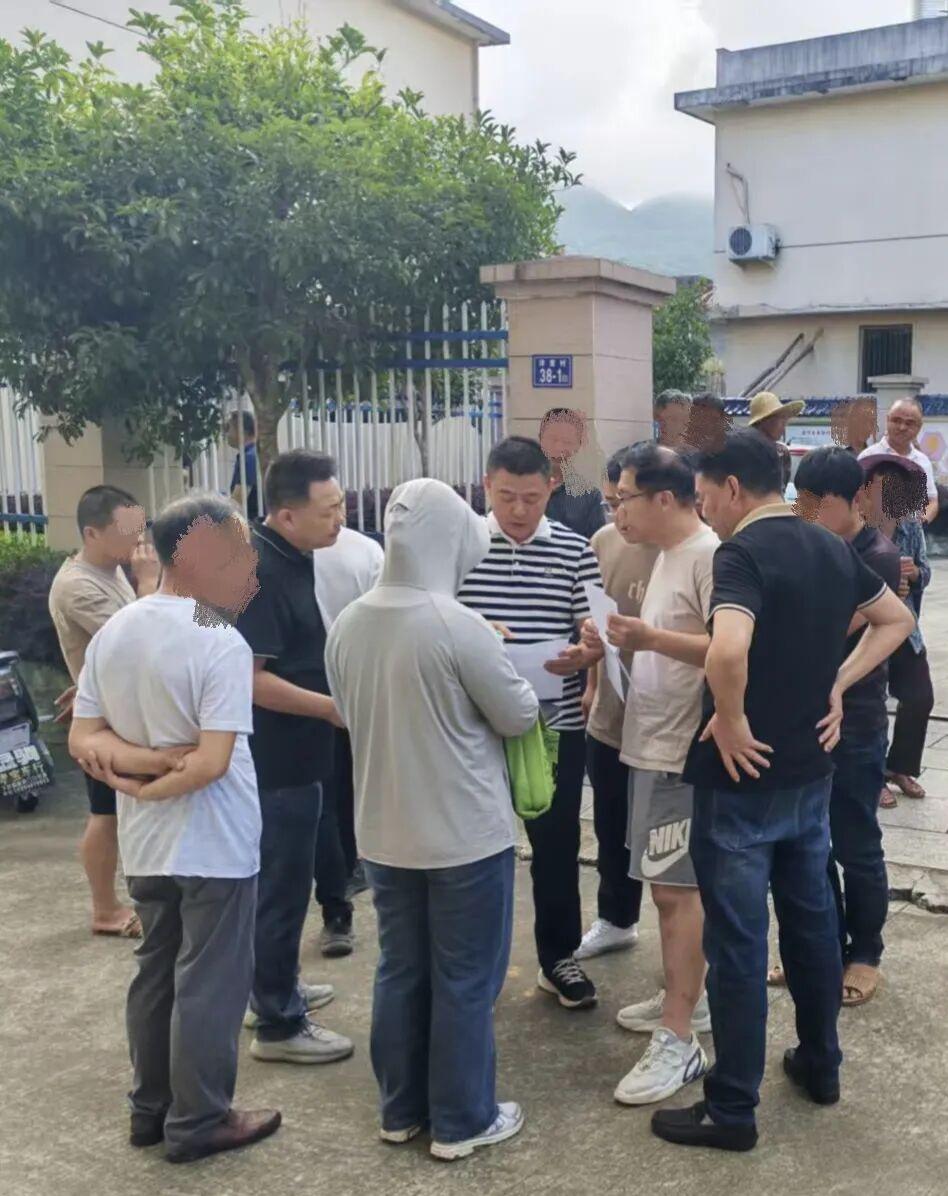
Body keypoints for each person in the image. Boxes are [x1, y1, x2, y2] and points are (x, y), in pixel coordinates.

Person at [650, 431, 913, 1153]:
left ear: (734, 488)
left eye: (706, 494)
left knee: (738, 945)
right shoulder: (830, 546)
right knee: (812, 925)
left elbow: (728, 648)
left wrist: (731, 719)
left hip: (741, 783)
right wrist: (837, 681)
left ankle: (732, 1107)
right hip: (810, 772)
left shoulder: (740, 553)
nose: (704, 507)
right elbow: (896, 620)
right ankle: (821, 1065)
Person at [326, 478, 538, 1161]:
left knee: (400, 970)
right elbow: (519, 713)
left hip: (383, 834)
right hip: (463, 837)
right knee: (466, 979)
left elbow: (349, 709)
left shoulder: (349, 622)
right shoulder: (457, 623)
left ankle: (401, 1110)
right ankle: (462, 1120)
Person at [68, 494, 281, 1165]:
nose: (249, 564)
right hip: (215, 842)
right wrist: (159, 771)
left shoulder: (118, 630)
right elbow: (212, 762)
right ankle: (200, 1120)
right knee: (208, 983)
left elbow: (83, 737)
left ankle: (150, 1110)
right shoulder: (218, 638)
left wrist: (136, 775)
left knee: (156, 972)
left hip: (148, 842)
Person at [584, 444, 717, 1106]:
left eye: (625, 499)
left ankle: (680, 1036)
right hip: (652, 742)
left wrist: (648, 639)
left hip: (681, 752)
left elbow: (732, 649)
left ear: (665, 498)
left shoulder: (708, 555)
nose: (618, 512)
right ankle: (684, 999)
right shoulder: (665, 553)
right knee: (668, 889)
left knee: (676, 893)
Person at [458, 436, 604, 1009]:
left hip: (554, 724)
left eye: (531, 498)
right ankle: (472, 966)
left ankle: (559, 956)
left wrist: (584, 654)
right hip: (473, 729)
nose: (518, 510)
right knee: (473, 849)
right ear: (486, 486)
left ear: (551, 489)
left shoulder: (575, 549)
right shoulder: (461, 547)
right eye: (506, 496)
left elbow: (593, 632)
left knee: (556, 843)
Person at [235, 449, 353, 1064]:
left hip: (300, 755)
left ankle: (274, 986)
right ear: (285, 515)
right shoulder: (258, 572)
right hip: (275, 761)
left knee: (286, 884)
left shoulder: (290, 556)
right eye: (328, 509)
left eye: (341, 505)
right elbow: (248, 680)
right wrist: (331, 709)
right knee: (279, 890)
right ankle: (279, 1023)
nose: (341, 519)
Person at [790, 447, 902, 1007]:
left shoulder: (876, 556)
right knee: (810, 845)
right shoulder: (812, 543)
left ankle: (866, 953)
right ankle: (824, 949)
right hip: (810, 718)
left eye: (820, 503)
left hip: (855, 721)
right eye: (802, 502)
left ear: (856, 498)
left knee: (855, 844)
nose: (808, 513)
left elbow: (832, 627)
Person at [48, 485, 160, 937]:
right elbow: (137, 640)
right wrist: (148, 583)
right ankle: (105, 909)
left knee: (119, 811)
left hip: (117, 710)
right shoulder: (77, 586)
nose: (138, 539)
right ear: (92, 533)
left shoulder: (111, 569)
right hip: (104, 721)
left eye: (140, 527)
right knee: (106, 814)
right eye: (127, 530)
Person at [576, 449, 657, 961]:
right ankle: (616, 918)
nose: (617, 514)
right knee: (610, 824)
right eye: (610, 503)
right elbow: (596, 618)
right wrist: (591, 683)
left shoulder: (691, 549)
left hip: (665, 722)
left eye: (624, 501)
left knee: (668, 839)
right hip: (611, 711)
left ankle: (689, 945)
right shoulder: (602, 542)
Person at [311, 526, 385, 955]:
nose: (335, 517)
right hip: (318, 697)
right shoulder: (261, 562)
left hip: (341, 691)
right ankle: (340, 893)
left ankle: (338, 901)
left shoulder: (363, 550)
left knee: (337, 793)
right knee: (337, 794)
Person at [860, 455, 934, 804]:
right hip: (866, 626)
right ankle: (872, 776)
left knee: (920, 697)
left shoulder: (910, 525)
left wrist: (914, 575)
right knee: (872, 705)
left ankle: (899, 767)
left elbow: (925, 571)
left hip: (905, 627)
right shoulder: (857, 526)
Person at [859, 398, 939, 525]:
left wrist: (916, 526)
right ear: (887, 420)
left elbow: (932, 501)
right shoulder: (868, 457)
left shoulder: (922, 462)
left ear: (919, 427)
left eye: (909, 423)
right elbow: (855, 498)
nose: (902, 427)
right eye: (896, 421)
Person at [538, 407, 606, 540]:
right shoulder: (521, 489)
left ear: (578, 445)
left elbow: (596, 546)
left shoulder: (589, 496)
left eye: (567, 442)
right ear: (540, 439)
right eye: (552, 439)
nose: (559, 448)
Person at [747, 391, 805, 493]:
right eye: (781, 419)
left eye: (785, 420)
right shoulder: (743, 450)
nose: (784, 425)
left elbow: (781, 491)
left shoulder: (782, 453)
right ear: (765, 421)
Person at [227, 409, 260, 519]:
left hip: (252, 523)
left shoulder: (249, 458)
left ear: (241, 430)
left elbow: (237, 502)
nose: (227, 434)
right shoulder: (254, 454)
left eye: (229, 428)